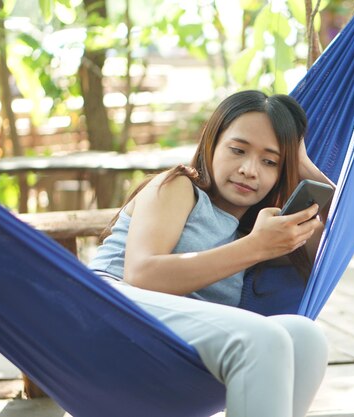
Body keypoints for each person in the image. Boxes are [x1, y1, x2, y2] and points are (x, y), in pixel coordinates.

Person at [88, 90, 334, 417]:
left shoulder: (253, 232)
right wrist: (255, 247)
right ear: (212, 143)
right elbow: (141, 274)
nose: (249, 169)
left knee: (307, 338)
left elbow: (340, 237)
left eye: (270, 161)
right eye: (237, 150)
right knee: (262, 338)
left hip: (175, 354)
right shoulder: (178, 187)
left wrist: (301, 164)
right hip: (108, 312)